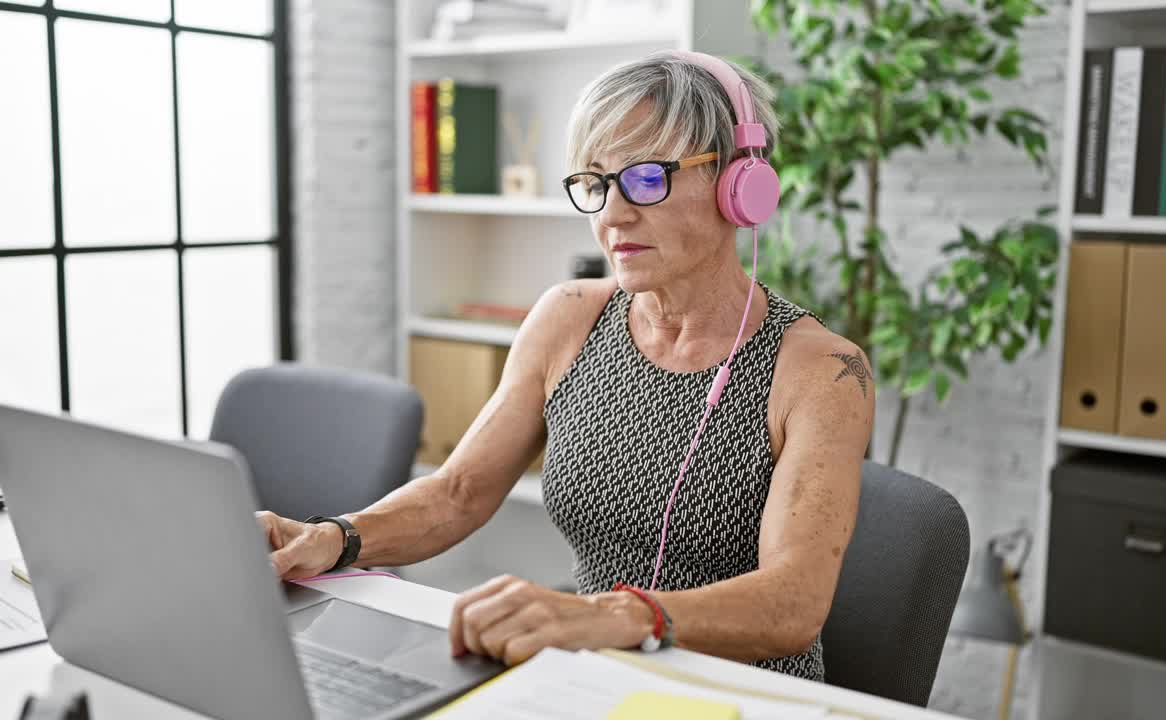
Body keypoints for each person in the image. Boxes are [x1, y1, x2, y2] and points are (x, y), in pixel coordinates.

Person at [256, 50, 874, 682]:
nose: (611, 216)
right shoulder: (568, 318)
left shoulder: (821, 371)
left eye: (646, 179)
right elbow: (457, 493)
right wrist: (335, 538)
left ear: (738, 183)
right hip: (595, 672)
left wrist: (614, 617)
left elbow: (792, 603)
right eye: (596, 183)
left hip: (746, 694)